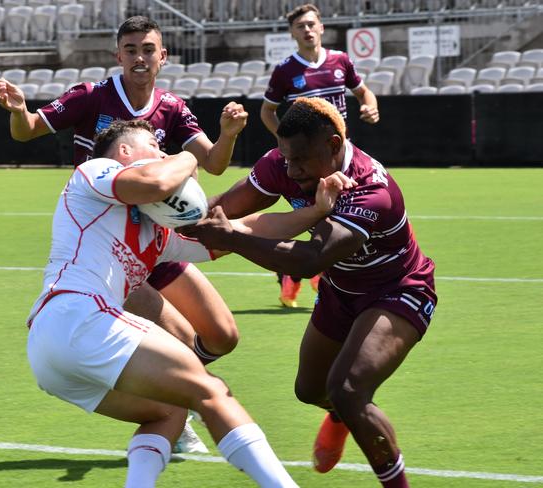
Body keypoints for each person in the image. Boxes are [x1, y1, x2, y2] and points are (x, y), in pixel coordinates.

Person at [27, 119, 349, 487]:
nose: (162, 152)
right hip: (78, 315)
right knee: (211, 392)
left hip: (53, 350)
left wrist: (314, 212)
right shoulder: (97, 170)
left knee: (170, 408)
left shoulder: (157, 232)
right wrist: (187, 156)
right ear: (125, 152)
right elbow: (156, 182)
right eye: (153, 145)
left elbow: (243, 232)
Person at [0, 15, 247, 452]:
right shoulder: (92, 97)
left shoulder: (173, 108)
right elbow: (28, 130)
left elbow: (215, 163)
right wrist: (18, 111)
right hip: (111, 246)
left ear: (162, 56)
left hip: (158, 239)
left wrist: (227, 135)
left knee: (222, 335)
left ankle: (170, 390)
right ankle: (172, 408)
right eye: (131, 50)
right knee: (182, 341)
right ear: (118, 56)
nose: (140, 58)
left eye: (148, 49)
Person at [188, 97, 437, 488]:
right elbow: (224, 209)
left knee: (348, 389)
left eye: (301, 159)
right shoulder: (284, 164)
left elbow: (309, 260)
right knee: (310, 390)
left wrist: (232, 240)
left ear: (334, 145)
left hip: (397, 290)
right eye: (286, 158)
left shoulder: (370, 188)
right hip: (342, 290)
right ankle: (342, 413)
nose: (292, 170)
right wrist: (162, 222)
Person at [260, 3, 380, 308]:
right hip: (309, 165)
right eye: (300, 26)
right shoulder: (286, 70)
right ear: (292, 33)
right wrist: (288, 147)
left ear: (322, 27)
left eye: (312, 24)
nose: (307, 30)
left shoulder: (340, 61)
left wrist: (370, 106)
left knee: (341, 218)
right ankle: (298, 274)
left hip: (341, 157)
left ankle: (316, 278)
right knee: (317, 218)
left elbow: (364, 92)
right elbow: (267, 112)